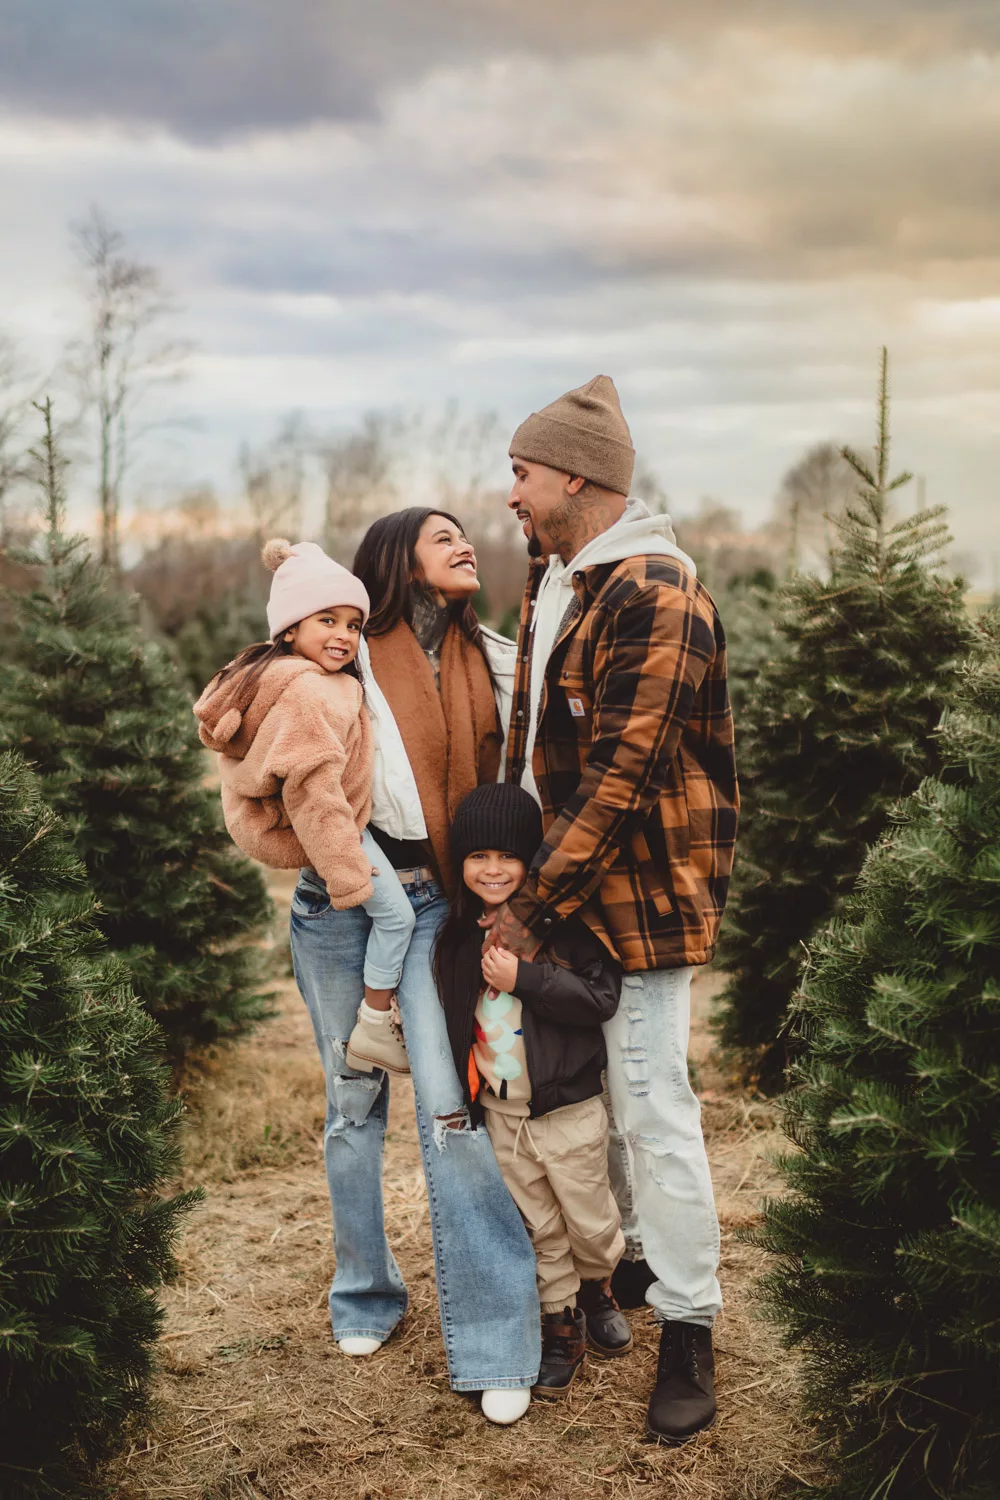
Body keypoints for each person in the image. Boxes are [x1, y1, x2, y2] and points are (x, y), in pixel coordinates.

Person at [485, 375, 739, 1443]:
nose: (510, 495)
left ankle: (690, 1329)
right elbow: (534, 750)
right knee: (599, 1101)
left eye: (522, 473)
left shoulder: (655, 594)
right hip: (567, 893)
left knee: (650, 1107)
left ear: (575, 477)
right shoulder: (562, 585)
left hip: (633, 904)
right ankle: (633, 1257)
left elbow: (624, 777)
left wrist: (527, 912)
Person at [311, 507, 537, 1425]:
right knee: (352, 1100)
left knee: (451, 1107)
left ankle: (496, 1338)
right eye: (442, 536)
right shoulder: (344, 654)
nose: (465, 544)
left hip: (436, 900)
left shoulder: (486, 655)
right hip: (343, 901)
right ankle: (365, 1292)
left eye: (464, 534)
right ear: (398, 558)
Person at [434, 782, 633, 1400]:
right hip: (502, 1113)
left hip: (567, 1111)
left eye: (507, 857)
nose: (492, 870)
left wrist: (527, 978)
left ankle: (600, 1287)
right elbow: (452, 1017)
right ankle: (561, 1326)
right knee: (540, 1227)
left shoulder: (564, 932)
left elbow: (600, 997)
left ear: (531, 861)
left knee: (591, 1224)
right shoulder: (456, 939)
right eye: (477, 857)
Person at [193, 538, 416, 1086]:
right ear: (291, 629)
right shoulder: (313, 693)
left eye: (352, 625)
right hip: (336, 836)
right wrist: (345, 873)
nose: (343, 636)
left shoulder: (278, 677)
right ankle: (374, 1024)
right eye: (328, 621)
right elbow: (312, 791)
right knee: (397, 917)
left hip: (327, 831)